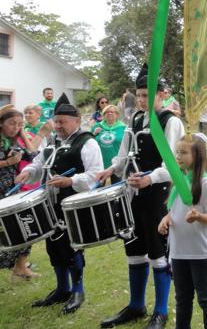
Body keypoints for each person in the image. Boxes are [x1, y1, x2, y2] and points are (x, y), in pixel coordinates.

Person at [96, 64, 185, 329]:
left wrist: (150, 178)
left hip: (158, 196)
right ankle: (136, 306)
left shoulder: (171, 121)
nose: (143, 100)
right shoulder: (134, 120)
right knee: (134, 250)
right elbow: (124, 154)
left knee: (158, 252)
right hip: (133, 195)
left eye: (148, 95)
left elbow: (174, 163)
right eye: (140, 95)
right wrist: (111, 168)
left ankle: (161, 311)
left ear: (162, 95)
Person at [15, 94, 103, 314]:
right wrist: (27, 172)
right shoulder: (52, 141)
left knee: (72, 247)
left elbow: (96, 174)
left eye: (63, 121)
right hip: (51, 204)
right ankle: (62, 289)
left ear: (76, 121)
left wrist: (70, 180)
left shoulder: (87, 141)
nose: (58, 126)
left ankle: (78, 291)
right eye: (56, 121)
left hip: (73, 204)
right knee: (53, 245)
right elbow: (38, 165)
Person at [158, 134, 207, 329]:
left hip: (201, 253)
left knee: (205, 299)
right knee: (182, 299)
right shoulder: (179, 180)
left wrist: (199, 217)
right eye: (177, 152)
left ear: (198, 155)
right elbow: (173, 210)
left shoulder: (206, 184)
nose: (178, 156)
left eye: (184, 152)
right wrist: (166, 219)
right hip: (179, 252)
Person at [0, 106, 39, 280]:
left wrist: (22, 134)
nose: (15, 127)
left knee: (26, 225)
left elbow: (33, 156)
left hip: (12, 191)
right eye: (11, 123)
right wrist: (8, 162)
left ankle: (21, 267)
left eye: (19, 124)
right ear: (1, 124)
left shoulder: (14, 141)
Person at [92, 104, 127, 181]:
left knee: (116, 188)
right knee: (98, 187)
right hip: (100, 163)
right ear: (103, 115)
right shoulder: (97, 126)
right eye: (106, 112)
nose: (109, 113)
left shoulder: (124, 128)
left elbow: (127, 145)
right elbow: (89, 143)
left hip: (116, 164)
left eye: (112, 112)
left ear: (117, 114)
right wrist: (94, 133)